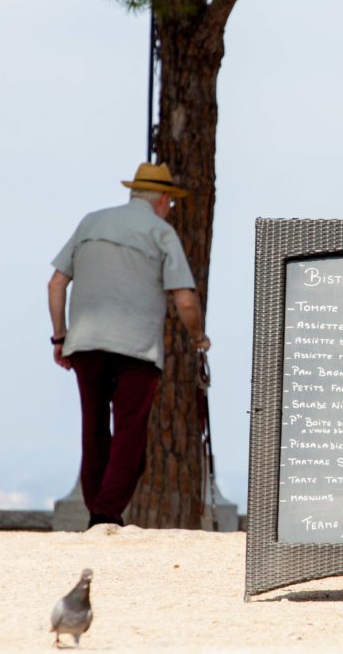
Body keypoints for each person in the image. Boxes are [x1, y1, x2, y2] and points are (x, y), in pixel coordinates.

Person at [48, 162, 211, 528]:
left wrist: (60, 337)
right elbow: (184, 299)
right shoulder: (161, 232)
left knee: (94, 428)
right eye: (171, 203)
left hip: (86, 343)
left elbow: (56, 284)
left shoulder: (91, 222)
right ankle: (105, 515)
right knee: (129, 432)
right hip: (137, 349)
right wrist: (198, 338)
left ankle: (99, 511)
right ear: (163, 199)